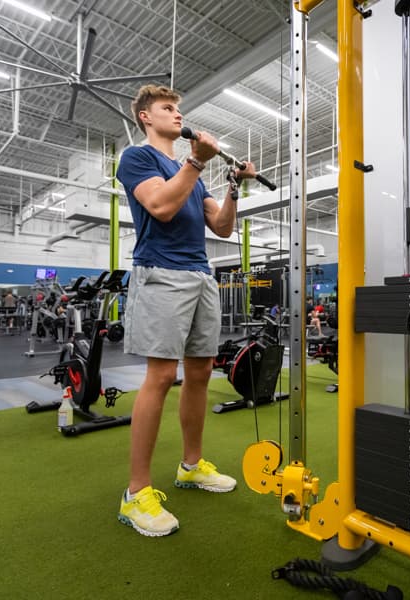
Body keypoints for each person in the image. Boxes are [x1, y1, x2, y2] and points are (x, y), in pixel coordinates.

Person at [115, 84, 257, 537]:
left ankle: (191, 466)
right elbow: (159, 205)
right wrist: (197, 161)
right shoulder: (137, 159)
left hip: (200, 275)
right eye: (168, 109)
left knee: (199, 372)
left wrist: (232, 185)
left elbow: (222, 225)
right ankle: (136, 493)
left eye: (180, 109)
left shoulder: (189, 172)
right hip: (161, 273)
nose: (178, 114)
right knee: (161, 375)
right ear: (145, 117)